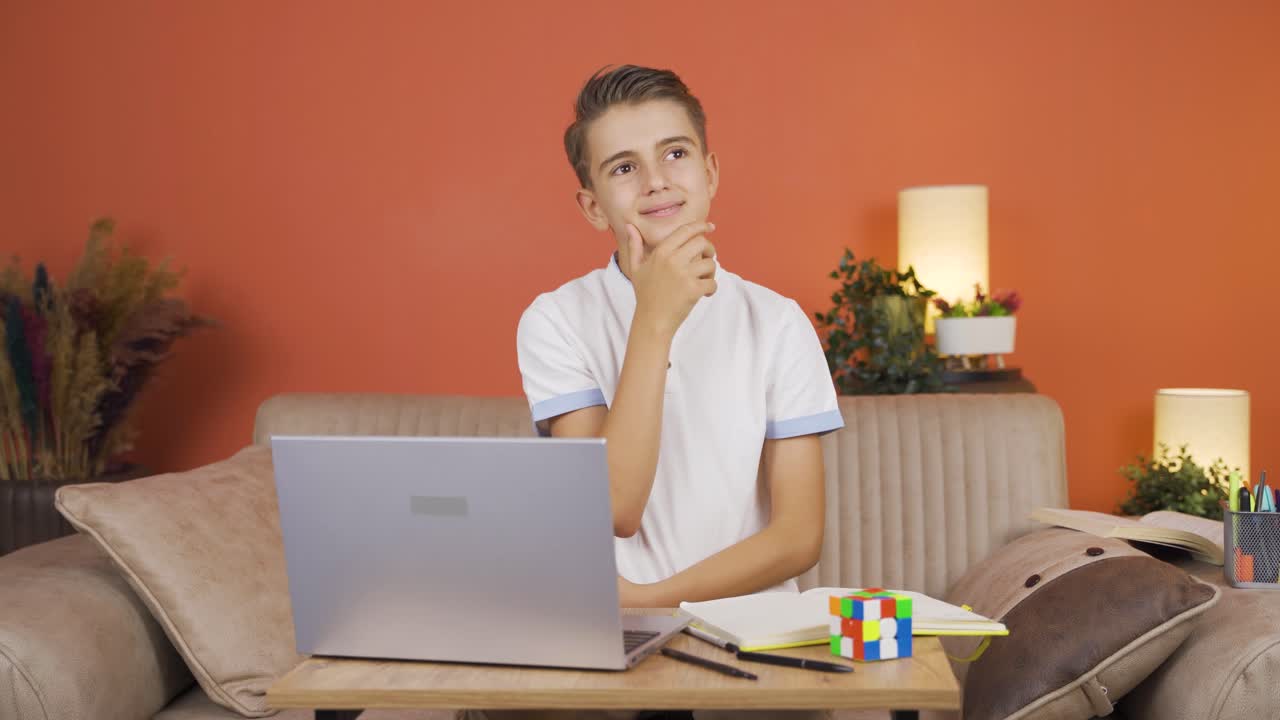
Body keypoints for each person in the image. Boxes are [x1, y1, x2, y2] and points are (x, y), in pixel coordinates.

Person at [475, 64, 843, 720]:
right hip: (610, 638)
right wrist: (655, 319)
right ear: (593, 205)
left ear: (711, 173)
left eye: (675, 153)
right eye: (622, 168)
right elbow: (616, 506)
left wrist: (657, 596)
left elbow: (798, 535)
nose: (656, 182)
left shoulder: (778, 321)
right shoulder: (556, 319)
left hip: (749, 637)